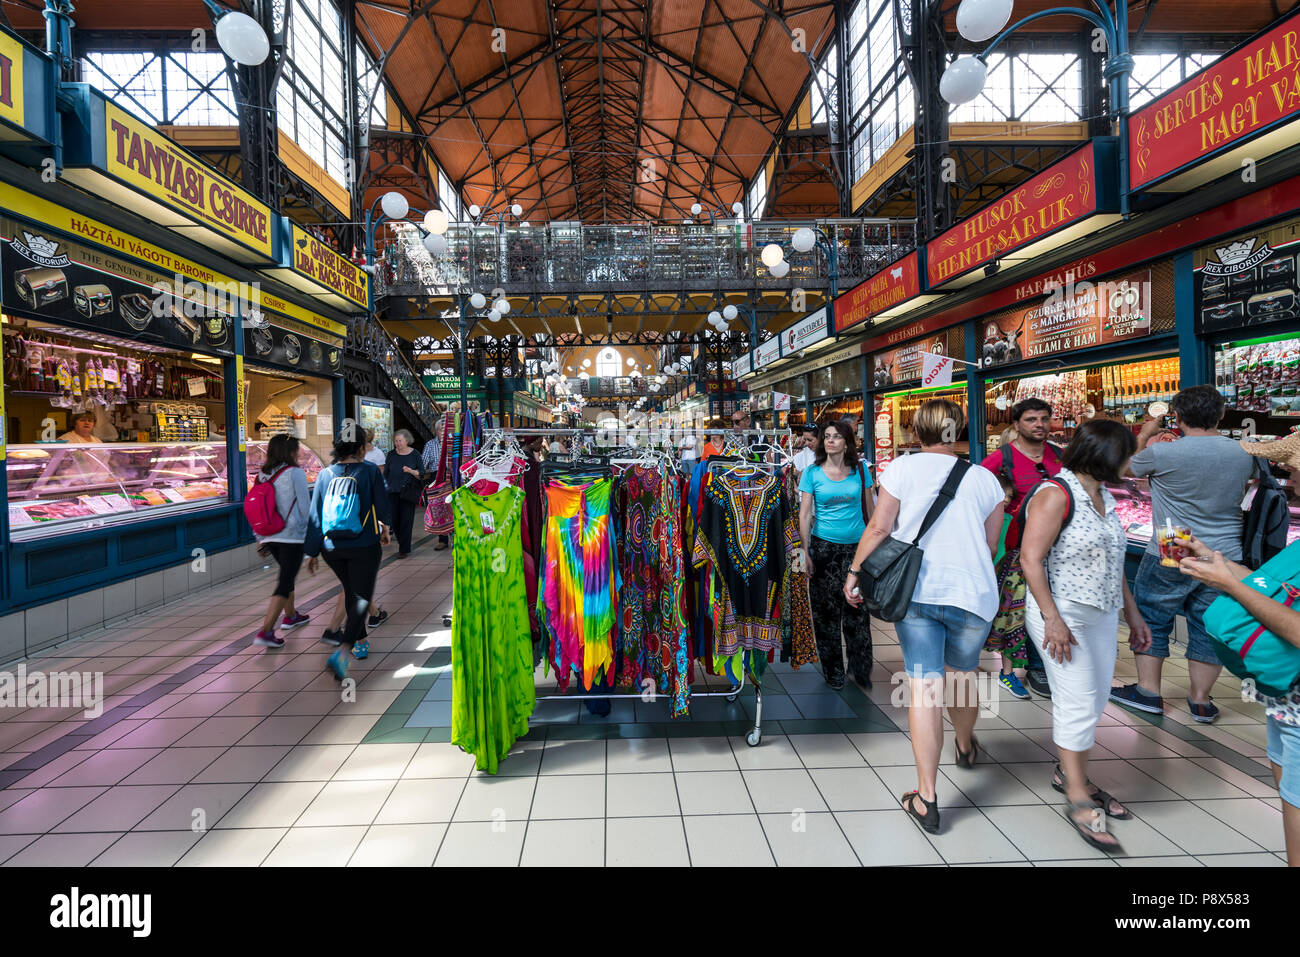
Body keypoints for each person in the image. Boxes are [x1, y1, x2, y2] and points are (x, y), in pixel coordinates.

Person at [844, 399, 1004, 834]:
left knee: (925, 689)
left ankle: (927, 796)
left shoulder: (900, 470)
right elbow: (991, 547)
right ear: (961, 430)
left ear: (917, 433)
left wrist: (856, 571)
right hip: (972, 595)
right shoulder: (986, 479)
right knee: (963, 675)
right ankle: (966, 745)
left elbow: (879, 528)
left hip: (917, 591)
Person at [1020, 419, 1151, 854]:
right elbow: (1030, 560)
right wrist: (1052, 618)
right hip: (1063, 615)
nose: (1133, 462)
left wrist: (1133, 616)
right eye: (1127, 454)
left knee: (1096, 699)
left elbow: (1116, 565)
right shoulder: (1055, 495)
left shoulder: (1104, 497)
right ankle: (1078, 795)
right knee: (1076, 700)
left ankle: (1067, 773)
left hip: (1101, 613)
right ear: (1106, 456)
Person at [1110, 385, 1257, 722]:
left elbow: (1123, 468)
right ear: (1220, 415)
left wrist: (1148, 429)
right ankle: (1201, 700)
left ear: (1176, 417)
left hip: (1173, 542)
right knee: (1209, 625)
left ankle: (1148, 691)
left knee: (1152, 616)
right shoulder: (1242, 452)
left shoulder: (1164, 453)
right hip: (1225, 551)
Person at [1177, 533, 1300, 866]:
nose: (1291, 476)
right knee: (1290, 800)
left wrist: (1230, 586)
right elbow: (1272, 588)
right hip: (1286, 701)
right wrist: (1219, 566)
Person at [979, 397, 1062, 699]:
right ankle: (1030, 669)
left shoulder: (1059, 455)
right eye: (1031, 419)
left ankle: (1049, 665)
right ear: (1016, 425)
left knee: (1049, 609)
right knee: (1017, 613)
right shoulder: (1001, 459)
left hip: (1058, 551)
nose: (1039, 424)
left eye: (1043, 418)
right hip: (1017, 550)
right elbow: (975, 491)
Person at [304, 434, 391, 680]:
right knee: (361, 598)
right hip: (363, 544)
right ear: (361, 449)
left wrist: (311, 551)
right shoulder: (370, 471)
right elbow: (382, 506)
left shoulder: (324, 474)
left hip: (331, 547)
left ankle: (360, 640)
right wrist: (385, 528)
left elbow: (315, 515)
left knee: (352, 590)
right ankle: (343, 651)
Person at [799, 419, 873, 690]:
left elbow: (872, 512)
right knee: (826, 614)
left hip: (857, 549)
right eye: (826, 436)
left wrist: (874, 549)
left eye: (836, 436)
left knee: (858, 610)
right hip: (824, 549)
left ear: (847, 442)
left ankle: (860, 669)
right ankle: (833, 671)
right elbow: (805, 514)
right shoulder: (812, 473)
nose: (830, 440)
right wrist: (805, 552)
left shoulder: (862, 471)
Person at [251, 434, 311, 648]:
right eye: (297, 449)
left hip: (269, 535)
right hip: (291, 536)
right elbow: (305, 509)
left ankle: (291, 615)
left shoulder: (263, 474)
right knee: (285, 581)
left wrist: (260, 538)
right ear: (290, 452)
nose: (300, 452)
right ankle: (266, 631)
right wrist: (314, 533)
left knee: (287, 574)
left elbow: (256, 507)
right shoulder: (295, 473)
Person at [385, 428, 425, 558]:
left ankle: (404, 548)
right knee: (395, 520)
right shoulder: (391, 454)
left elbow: (422, 473)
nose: (397, 443)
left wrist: (411, 471)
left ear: (407, 440)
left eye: (400, 441)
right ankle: (402, 543)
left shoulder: (415, 454)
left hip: (408, 492)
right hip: (393, 491)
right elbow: (386, 473)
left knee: (406, 520)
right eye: (396, 441)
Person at [422, 431, 449, 550]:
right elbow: (423, 462)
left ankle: (456, 537)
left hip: (450, 475)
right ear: (436, 431)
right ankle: (442, 540)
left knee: (452, 506)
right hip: (436, 476)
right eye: (440, 429)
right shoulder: (430, 444)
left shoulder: (452, 442)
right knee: (438, 508)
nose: (442, 432)